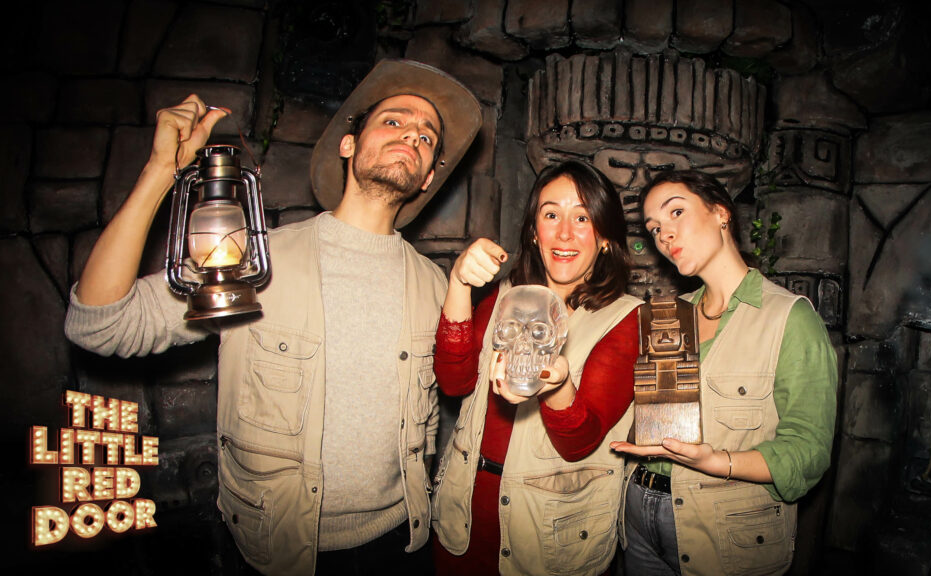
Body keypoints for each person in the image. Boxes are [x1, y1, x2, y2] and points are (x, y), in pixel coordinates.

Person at [64, 59, 482, 576]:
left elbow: (446, 402)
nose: (411, 137)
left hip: (400, 545)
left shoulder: (436, 285)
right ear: (348, 144)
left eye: (426, 137)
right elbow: (101, 325)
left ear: (428, 178)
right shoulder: (252, 260)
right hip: (279, 551)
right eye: (393, 121)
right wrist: (159, 172)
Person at [609, 169, 838, 576]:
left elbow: (809, 452)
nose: (665, 235)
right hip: (639, 515)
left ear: (720, 213)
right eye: (654, 228)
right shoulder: (667, 316)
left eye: (676, 212)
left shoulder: (790, 317)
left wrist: (719, 461)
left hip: (724, 529)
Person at [430, 160, 643, 576]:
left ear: (604, 237)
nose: (564, 233)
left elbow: (579, 441)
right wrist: (459, 283)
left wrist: (557, 385)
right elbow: (454, 382)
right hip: (463, 517)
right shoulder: (504, 296)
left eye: (582, 217)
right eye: (551, 215)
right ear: (533, 231)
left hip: (549, 535)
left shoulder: (625, 318)